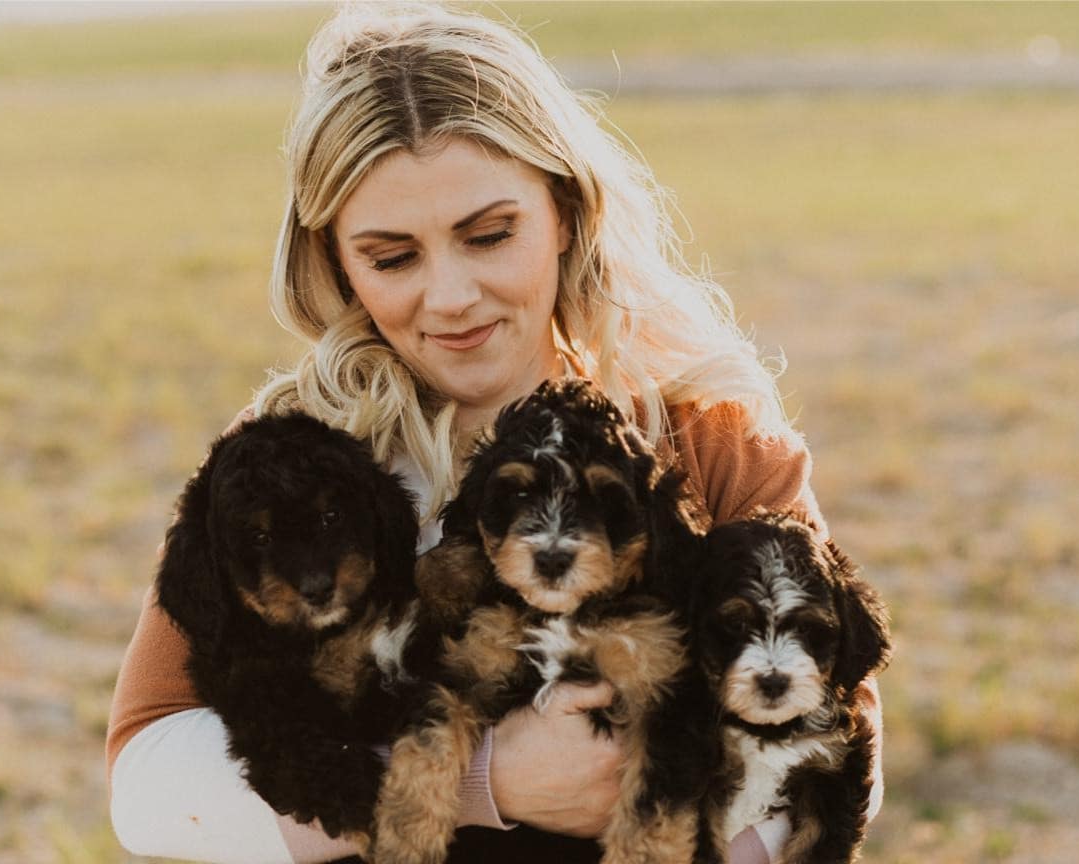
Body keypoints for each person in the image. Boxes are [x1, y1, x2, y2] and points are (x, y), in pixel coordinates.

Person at [106, 4, 884, 863]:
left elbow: (839, 733)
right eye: (391, 257)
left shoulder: (705, 436)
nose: (450, 296)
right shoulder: (298, 454)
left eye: (489, 235)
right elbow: (146, 781)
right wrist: (488, 781)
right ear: (332, 261)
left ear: (564, 209)